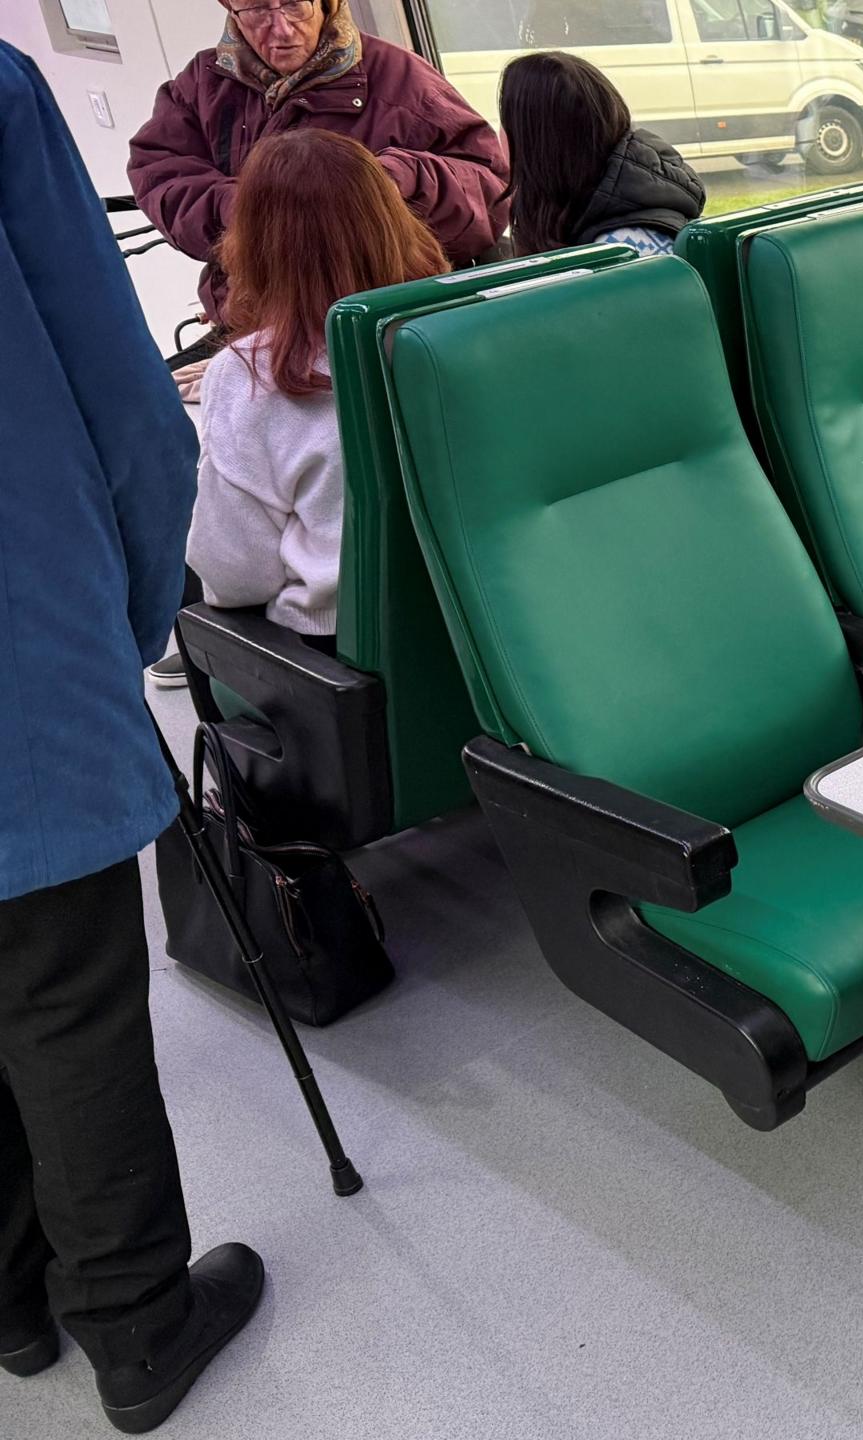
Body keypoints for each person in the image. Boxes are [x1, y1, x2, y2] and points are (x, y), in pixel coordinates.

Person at [0, 41, 266, 1435]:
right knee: (62, 998)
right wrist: (138, 611)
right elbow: (130, 413)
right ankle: (135, 1326)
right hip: (12, 643)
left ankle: (10, 1303)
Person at [189, 129, 451, 647]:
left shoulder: (247, 374)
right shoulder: (461, 327)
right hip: (480, 628)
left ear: (255, 243)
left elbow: (235, 578)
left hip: (341, 651)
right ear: (391, 217)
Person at [126, 0, 505, 353]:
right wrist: (249, 210)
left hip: (379, 325)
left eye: (294, 4)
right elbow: (160, 170)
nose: (282, 29)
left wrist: (400, 180)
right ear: (230, 8)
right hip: (252, 324)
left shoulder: (405, 81)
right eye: (258, 9)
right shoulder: (203, 84)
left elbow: (490, 190)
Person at [498, 51, 704, 258]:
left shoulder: (622, 251)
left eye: (506, 123)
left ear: (535, 144)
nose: (499, 134)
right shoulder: (595, 215)